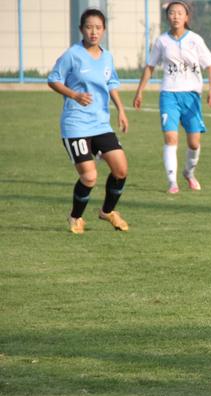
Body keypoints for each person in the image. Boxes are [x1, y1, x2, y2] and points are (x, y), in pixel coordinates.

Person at [48, 8, 130, 234]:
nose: (93, 32)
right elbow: (53, 79)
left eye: (98, 28)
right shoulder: (72, 54)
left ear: (104, 30)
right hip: (76, 125)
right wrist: (74, 95)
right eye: (89, 27)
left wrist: (121, 110)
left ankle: (107, 211)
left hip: (101, 124)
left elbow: (111, 84)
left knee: (121, 170)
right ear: (81, 29)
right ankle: (75, 217)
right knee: (89, 176)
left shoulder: (107, 57)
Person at [133, 0, 211, 194]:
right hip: (169, 95)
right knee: (171, 138)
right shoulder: (162, 41)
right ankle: (172, 182)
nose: (176, 16)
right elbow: (150, 67)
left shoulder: (195, 40)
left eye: (180, 13)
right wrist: (140, 91)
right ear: (167, 17)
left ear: (187, 17)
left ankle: (189, 172)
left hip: (192, 96)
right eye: (172, 13)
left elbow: (210, 66)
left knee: (194, 142)